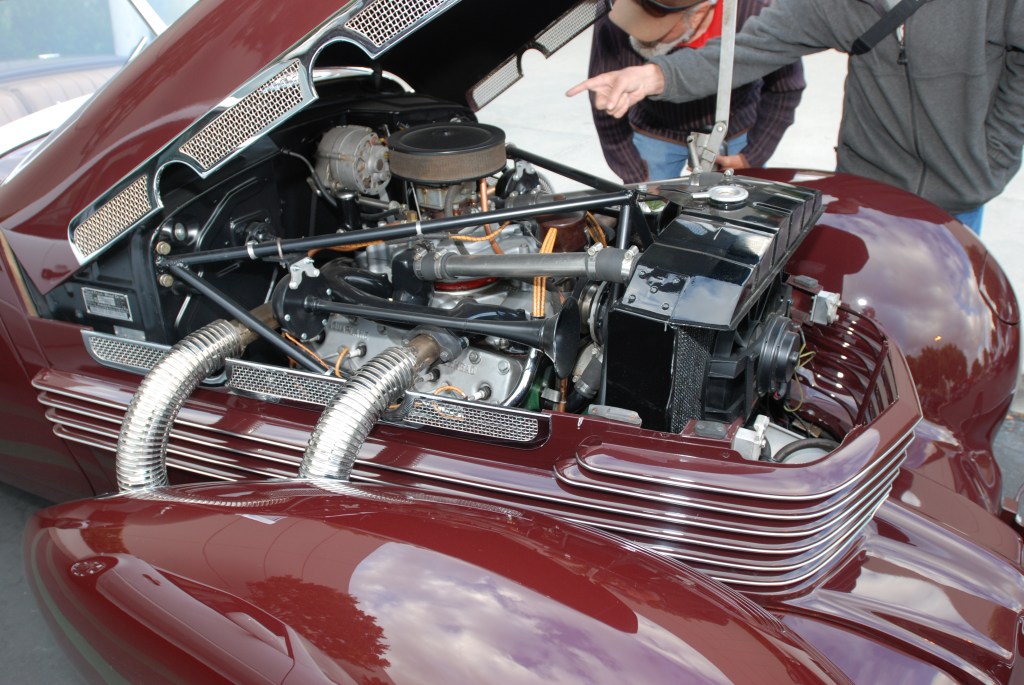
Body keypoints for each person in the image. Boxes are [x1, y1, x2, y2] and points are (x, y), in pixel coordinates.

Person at [568, 0, 1024, 235]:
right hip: (864, 189)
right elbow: (750, 47)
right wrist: (654, 75)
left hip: (960, 196)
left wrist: (994, 156)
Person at [589, 0, 805, 183]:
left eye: (651, 27)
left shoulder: (757, 11)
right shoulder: (617, 8)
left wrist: (752, 155)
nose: (635, 33)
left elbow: (785, 88)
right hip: (655, 130)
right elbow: (604, 96)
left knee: (740, 215)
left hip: (736, 129)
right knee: (649, 215)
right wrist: (632, 170)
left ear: (698, 14)